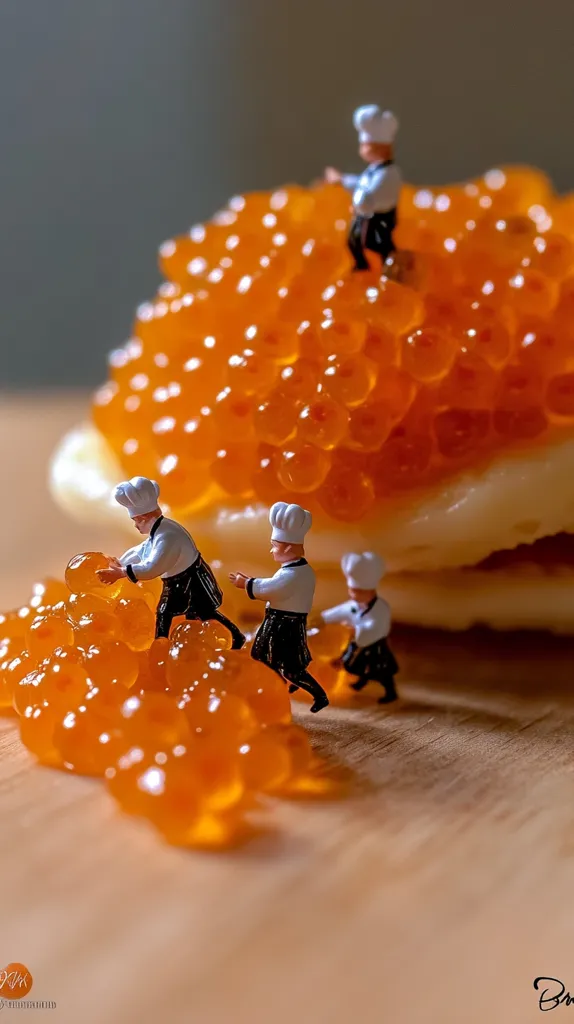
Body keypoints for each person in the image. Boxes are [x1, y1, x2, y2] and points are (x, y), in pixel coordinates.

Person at [96, 475, 245, 647]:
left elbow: (153, 567)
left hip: (190, 579)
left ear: (145, 518)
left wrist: (122, 572)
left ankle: (162, 646)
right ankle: (165, 644)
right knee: (189, 613)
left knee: (195, 612)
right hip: (179, 580)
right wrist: (121, 562)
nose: (135, 526)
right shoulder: (159, 530)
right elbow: (143, 549)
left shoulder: (167, 536)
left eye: (136, 521)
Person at [229, 501, 329, 714]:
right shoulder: (298, 571)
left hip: (286, 624)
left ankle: (317, 695)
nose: (271, 550)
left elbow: (272, 588)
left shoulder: (292, 575)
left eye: (274, 546)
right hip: (278, 620)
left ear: (288, 548)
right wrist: (250, 581)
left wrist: (245, 584)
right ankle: (274, 688)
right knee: (262, 656)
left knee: (290, 669)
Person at [325, 104, 402, 271]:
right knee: (353, 240)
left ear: (379, 148)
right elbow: (362, 183)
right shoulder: (374, 170)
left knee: (376, 243)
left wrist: (359, 202)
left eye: (366, 146)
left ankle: (392, 265)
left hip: (380, 217)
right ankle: (362, 265)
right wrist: (342, 179)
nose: (362, 150)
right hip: (367, 215)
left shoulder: (389, 173)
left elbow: (372, 194)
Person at [321, 552, 399, 703]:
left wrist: (356, 629)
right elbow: (341, 611)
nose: (352, 595)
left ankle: (391, 692)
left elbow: (377, 627)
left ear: (370, 592)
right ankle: (361, 682)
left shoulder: (381, 608)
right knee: (358, 666)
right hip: (357, 642)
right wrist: (324, 618)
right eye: (352, 591)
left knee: (381, 672)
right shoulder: (355, 604)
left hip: (375, 645)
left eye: (357, 592)